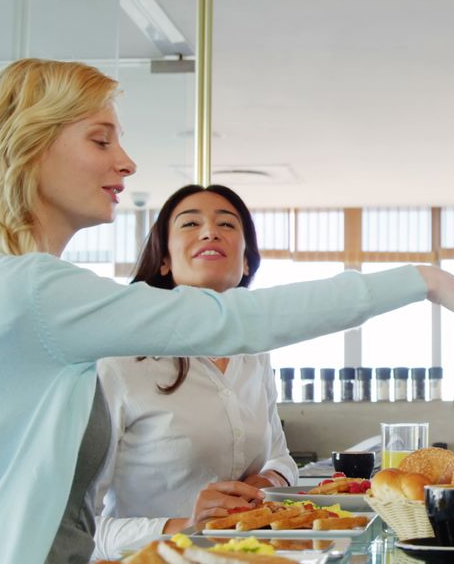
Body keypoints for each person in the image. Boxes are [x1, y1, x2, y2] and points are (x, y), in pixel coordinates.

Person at [0, 58, 454, 564]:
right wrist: (423, 279)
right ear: (29, 147)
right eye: (101, 139)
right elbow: (236, 320)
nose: (126, 163)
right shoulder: (27, 290)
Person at [90, 184, 299, 559]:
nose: (209, 231)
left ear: (247, 261)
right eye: (190, 223)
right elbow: (81, 529)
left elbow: (282, 459)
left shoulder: (254, 354)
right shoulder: (119, 361)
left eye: (227, 224)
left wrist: (265, 482)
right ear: (165, 260)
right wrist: (185, 523)